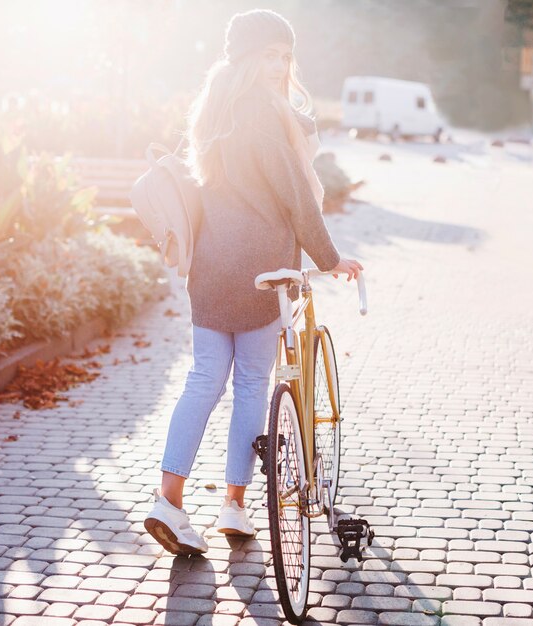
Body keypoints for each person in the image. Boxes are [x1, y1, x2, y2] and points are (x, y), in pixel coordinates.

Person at [143, 9, 363, 555]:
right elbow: (294, 192)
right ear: (246, 57)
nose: (279, 64)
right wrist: (330, 258)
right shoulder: (264, 113)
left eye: (285, 55)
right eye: (269, 54)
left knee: (204, 379)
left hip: (211, 268)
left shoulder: (214, 108)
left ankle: (168, 498)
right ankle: (235, 505)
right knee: (249, 385)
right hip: (264, 272)